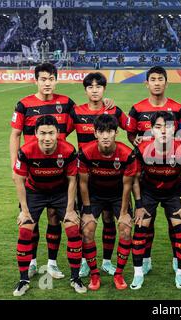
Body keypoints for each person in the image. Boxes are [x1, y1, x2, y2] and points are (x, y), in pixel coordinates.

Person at [12, 115, 85, 296]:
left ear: (58, 133)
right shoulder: (25, 150)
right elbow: (19, 180)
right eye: (43, 133)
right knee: (25, 229)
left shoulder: (68, 150)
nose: (47, 138)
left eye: (51, 133)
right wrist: (24, 211)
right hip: (34, 192)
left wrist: (70, 210)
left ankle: (75, 278)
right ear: (36, 133)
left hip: (60, 193)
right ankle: (23, 280)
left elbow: (72, 180)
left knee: (73, 229)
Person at [126, 66, 181, 275]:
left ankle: (177, 262)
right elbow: (131, 135)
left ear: (166, 83)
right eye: (153, 79)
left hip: (171, 174)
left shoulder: (178, 109)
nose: (157, 83)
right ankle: (145, 260)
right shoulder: (137, 109)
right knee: (145, 223)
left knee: (175, 222)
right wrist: (140, 144)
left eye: (161, 79)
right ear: (147, 83)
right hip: (146, 175)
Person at [69, 72, 129, 278]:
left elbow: (132, 127)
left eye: (99, 86)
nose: (95, 90)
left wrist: (137, 142)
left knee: (109, 220)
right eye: (90, 87)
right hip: (86, 176)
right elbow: (59, 133)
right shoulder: (76, 112)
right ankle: (87, 261)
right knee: (86, 220)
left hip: (111, 174)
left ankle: (106, 261)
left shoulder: (113, 110)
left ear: (104, 89)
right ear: (85, 90)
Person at [130, 111, 181, 289]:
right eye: (158, 127)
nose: (163, 131)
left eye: (167, 126)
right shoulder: (142, 148)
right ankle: (139, 271)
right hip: (148, 191)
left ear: (174, 128)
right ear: (151, 130)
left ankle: (180, 273)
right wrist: (138, 204)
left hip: (174, 191)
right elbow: (134, 178)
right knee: (141, 227)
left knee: (180, 228)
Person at [78, 114, 139, 291]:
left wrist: (124, 212)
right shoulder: (86, 152)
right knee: (87, 230)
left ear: (116, 133)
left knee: (126, 230)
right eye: (101, 132)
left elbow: (128, 185)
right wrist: (87, 210)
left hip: (119, 195)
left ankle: (118, 274)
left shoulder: (127, 153)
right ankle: (94, 274)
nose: (105, 136)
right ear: (95, 133)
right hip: (95, 195)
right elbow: (82, 183)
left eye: (110, 131)